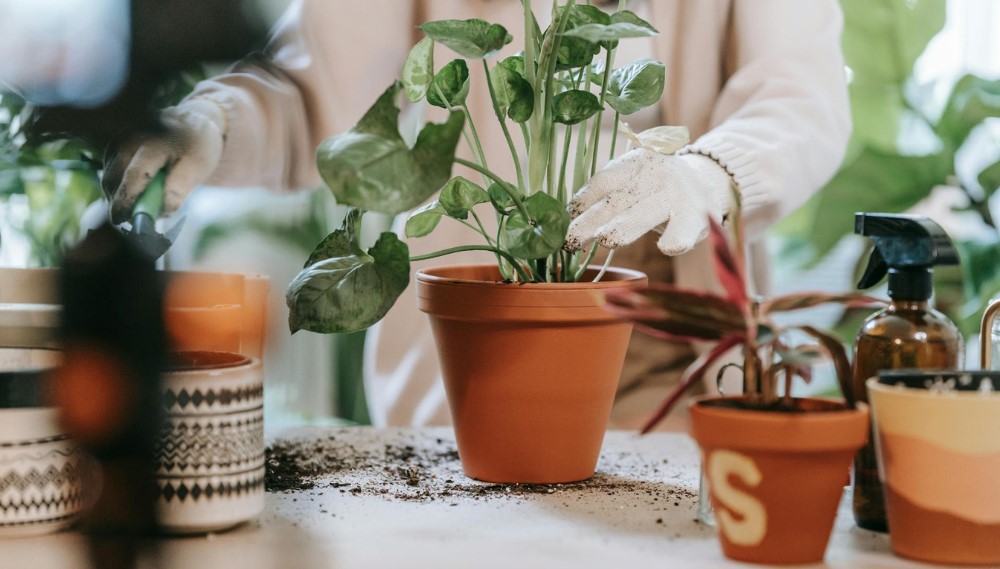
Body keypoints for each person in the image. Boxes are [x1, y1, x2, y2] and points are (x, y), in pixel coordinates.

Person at [102, 0, 851, 429]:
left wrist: (707, 175)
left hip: (671, 371)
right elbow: (314, 95)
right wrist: (215, 124)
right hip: (469, 373)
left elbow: (800, 96)